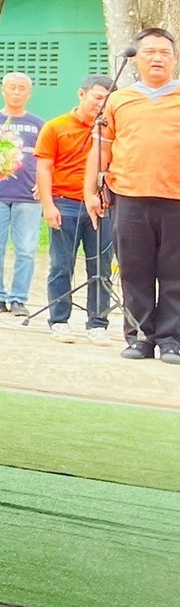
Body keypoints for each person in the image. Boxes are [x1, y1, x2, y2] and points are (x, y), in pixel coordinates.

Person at [88, 27, 180, 362]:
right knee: (134, 270)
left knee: (176, 273)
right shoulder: (118, 99)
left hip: (176, 200)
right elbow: (102, 147)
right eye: (150, 52)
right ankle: (140, 337)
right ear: (136, 58)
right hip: (128, 197)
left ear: (174, 58)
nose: (157, 58)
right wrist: (90, 192)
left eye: (164, 52)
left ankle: (172, 340)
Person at [36, 74, 114, 340]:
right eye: (97, 98)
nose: (101, 105)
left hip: (102, 206)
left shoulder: (111, 130)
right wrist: (48, 205)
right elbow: (44, 168)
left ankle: (98, 323)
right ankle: (59, 320)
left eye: (107, 100)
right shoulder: (55, 126)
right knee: (61, 265)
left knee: (101, 267)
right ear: (81, 94)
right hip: (64, 204)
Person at [0, 71, 45, 315]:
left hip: (29, 196)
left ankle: (18, 299)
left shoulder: (38, 125)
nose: (16, 92)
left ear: (29, 93)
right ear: (3, 91)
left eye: (21, 88)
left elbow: (47, 160)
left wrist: (44, 186)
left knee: (26, 249)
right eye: (12, 87)